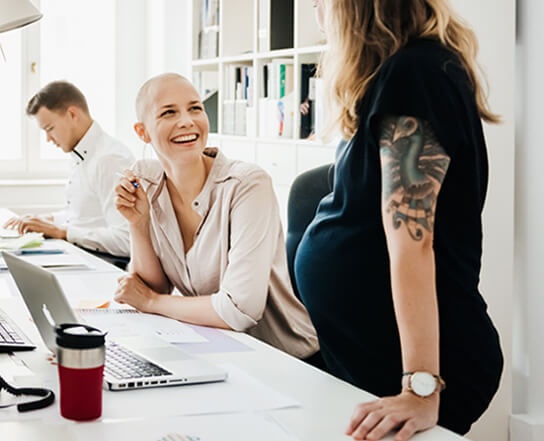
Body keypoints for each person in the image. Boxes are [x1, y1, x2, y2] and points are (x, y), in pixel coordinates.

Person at [294, 1, 503, 440]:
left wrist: (421, 387)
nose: (316, 11)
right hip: (373, 361)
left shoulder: (416, 75)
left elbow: (412, 241)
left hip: (421, 369)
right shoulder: (399, 75)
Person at [113, 73, 319, 362]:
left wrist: (151, 302)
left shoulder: (247, 184)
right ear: (142, 132)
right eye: (169, 112)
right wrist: (138, 223)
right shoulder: (146, 181)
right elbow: (153, 287)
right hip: (218, 351)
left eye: (195, 108)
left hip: (284, 359)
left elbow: (238, 311)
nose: (187, 121)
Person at [5, 81, 134, 258]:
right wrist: (45, 220)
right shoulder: (81, 153)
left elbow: (127, 239)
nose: (48, 139)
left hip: (103, 263)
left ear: (72, 114)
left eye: (50, 129)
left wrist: (63, 232)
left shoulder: (109, 160)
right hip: (81, 254)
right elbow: (86, 217)